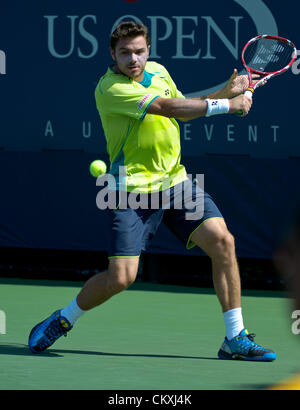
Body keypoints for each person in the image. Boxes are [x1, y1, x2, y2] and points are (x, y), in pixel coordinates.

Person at [28, 21, 276, 361]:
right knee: (121, 278)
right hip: (130, 192)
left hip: (176, 183)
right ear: (112, 54)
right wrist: (229, 106)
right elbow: (167, 108)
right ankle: (64, 318)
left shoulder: (158, 71)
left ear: (148, 51)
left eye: (140, 51)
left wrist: (225, 92)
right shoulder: (110, 89)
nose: (134, 59)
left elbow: (183, 112)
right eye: (125, 53)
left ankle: (235, 337)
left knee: (224, 241)